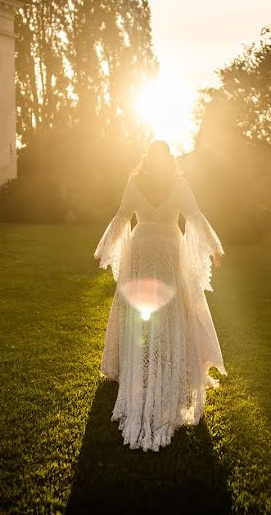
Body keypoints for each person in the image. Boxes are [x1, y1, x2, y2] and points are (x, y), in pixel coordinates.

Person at [93, 140, 226, 451]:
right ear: (150, 160)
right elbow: (123, 216)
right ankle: (145, 364)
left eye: (160, 158)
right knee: (146, 310)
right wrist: (103, 250)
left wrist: (215, 246)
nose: (156, 162)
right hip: (145, 254)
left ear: (166, 160)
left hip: (165, 255)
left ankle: (162, 362)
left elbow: (193, 215)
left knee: (169, 311)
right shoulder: (140, 182)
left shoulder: (176, 184)